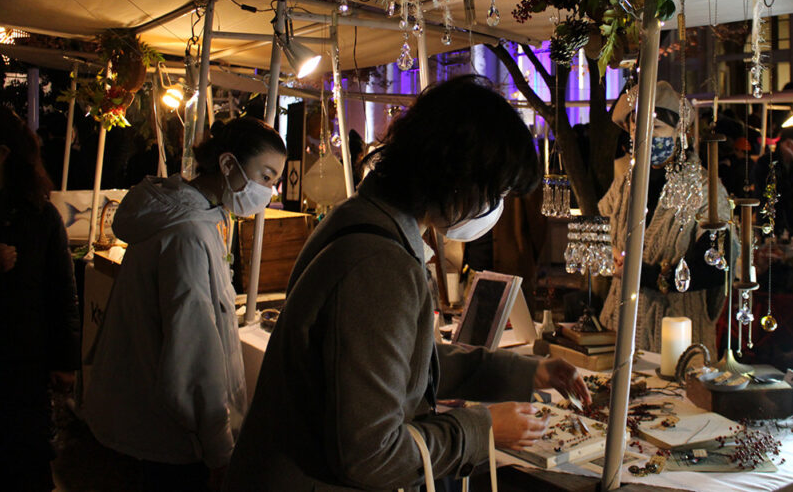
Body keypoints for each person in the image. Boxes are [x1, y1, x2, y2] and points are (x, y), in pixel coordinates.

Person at [224, 75, 590, 491]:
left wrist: (528, 372)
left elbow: (406, 364)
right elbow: (371, 455)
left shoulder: (365, 221)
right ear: (460, 179)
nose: (495, 209)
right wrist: (480, 429)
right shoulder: (379, 263)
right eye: (497, 192)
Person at [84, 117, 286, 492]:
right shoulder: (188, 234)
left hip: (143, 426)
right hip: (165, 441)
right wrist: (219, 450)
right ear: (227, 165)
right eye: (267, 177)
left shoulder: (192, 217)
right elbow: (192, 359)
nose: (269, 192)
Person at [0, 103, 80, 491]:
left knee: (25, 463)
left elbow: (62, 290)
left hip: (22, 365)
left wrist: (65, 361)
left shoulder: (39, 215)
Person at [599, 82, 737, 353]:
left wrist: (643, 274)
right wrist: (608, 254)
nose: (645, 137)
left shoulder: (704, 190)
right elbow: (601, 230)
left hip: (675, 339)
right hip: (616, 330)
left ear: (680, 132)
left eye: (657, 129)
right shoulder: (625, 184)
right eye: (636, 129)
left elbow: (714, 267)